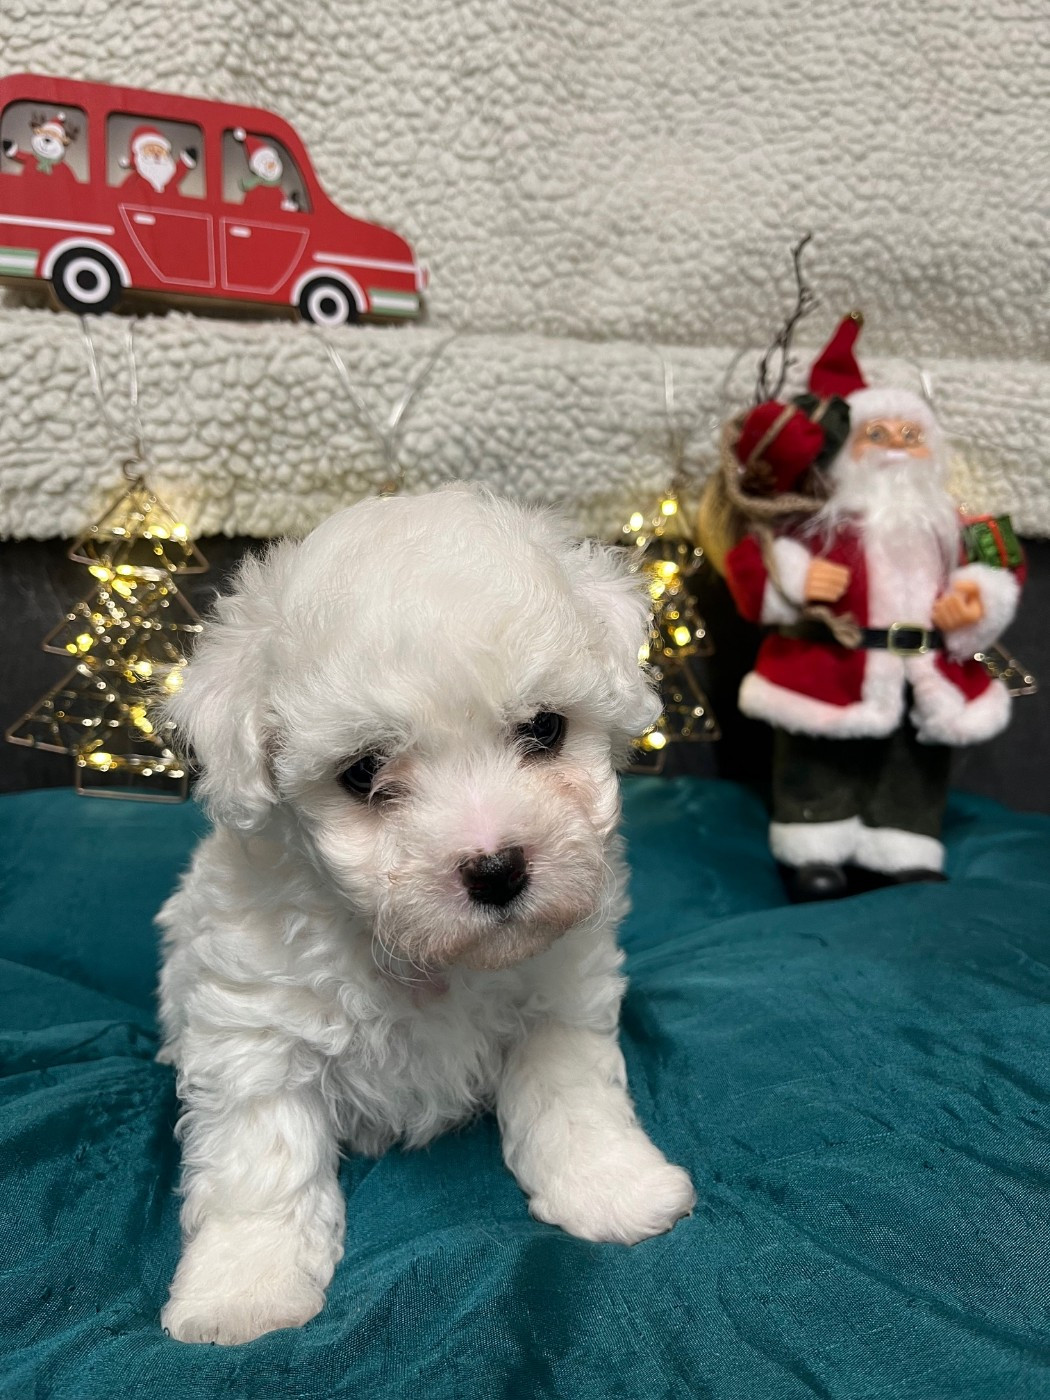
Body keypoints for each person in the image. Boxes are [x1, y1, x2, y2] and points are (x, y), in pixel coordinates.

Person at [721, 317, 1022, 900]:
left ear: (933, 450)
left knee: (912, 768)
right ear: (849, 451)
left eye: (910, 435)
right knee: (817, 763)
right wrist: (799, 578)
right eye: (876, 434)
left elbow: (1005, 565)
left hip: (924, 674)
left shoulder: (958, 526)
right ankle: (813, 849)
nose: (895, 448)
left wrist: (979, 596)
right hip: (833, 671)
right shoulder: (817, 525)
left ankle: (905, 843)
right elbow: (752, 565)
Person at [119, 126, 197, 198]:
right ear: (139, 155)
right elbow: (122, 194)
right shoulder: (135, 179)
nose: (156, 154)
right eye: (151, 150)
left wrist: (185, 162)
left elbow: (177, 173)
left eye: (160, 151)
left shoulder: (168, 175)